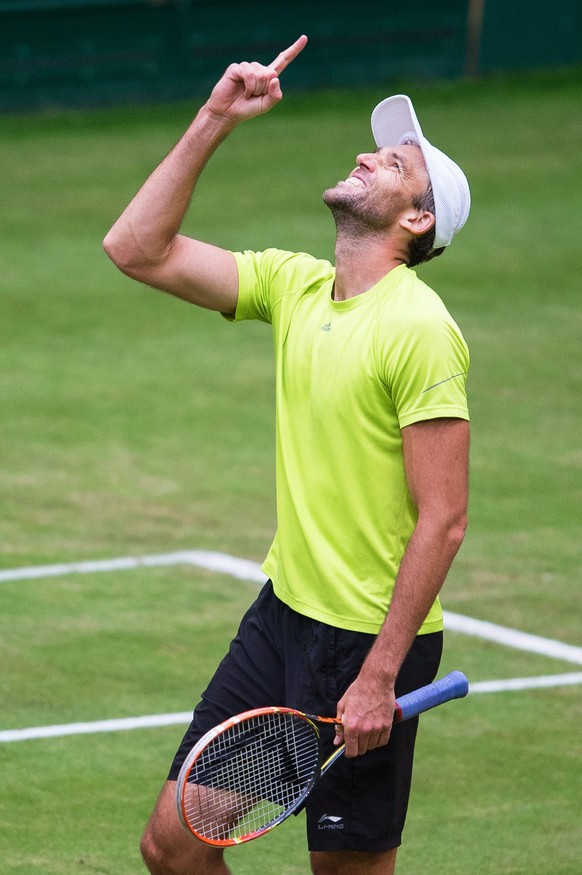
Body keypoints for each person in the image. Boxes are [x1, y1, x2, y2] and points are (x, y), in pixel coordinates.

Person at [104, 34, 471, 875]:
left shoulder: (420, 328)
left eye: (391, 164)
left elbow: (444, 519)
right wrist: (213, 119)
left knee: (344, 870)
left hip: (370, 643)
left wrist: (379, 676)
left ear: (417, 221)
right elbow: (136, 249)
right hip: (285, 619)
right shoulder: (296, 286)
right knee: (174, 844)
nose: (364, 158)